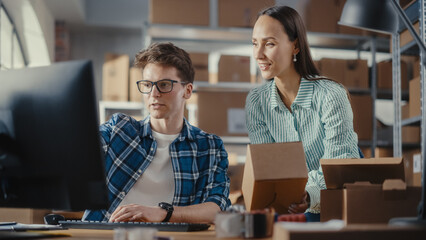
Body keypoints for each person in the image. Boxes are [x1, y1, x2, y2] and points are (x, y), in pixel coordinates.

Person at [83, 42, 231, 223]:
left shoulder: (209, 147)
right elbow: (80, 149)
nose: (153, 93)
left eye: (164, 84)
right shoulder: (118, 130)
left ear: (187, 90)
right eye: (147, 84)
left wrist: (164, 213)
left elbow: (217, 208)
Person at [246, 6, 360, 221]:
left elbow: (340, 160)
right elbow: (266, 167)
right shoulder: (256, 102)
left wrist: (308, 193)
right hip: (290, 204)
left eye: (269, 43)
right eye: (254, 43)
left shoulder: (330, 94)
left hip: (334, 197)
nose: (258, 54)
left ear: (295, 45)